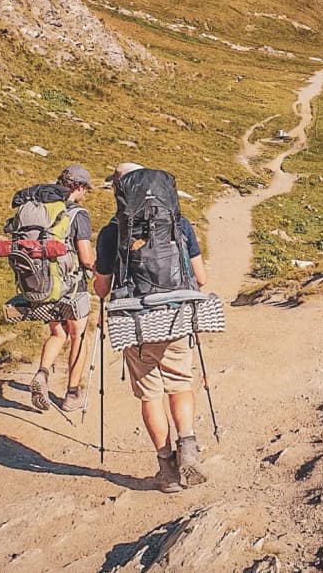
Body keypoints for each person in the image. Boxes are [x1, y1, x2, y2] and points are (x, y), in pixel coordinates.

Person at [93, 162, 209, 494]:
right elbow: (201, 278)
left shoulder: (112, 231)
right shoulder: (179, 223)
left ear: (120, 191)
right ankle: (188, 445)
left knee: (150, 394)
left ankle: (167, 470)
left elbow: (101, 290)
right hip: (175, 317)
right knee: (180, 383)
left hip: (136, 323)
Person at [29, 164, 97, 413]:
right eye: (85, 189)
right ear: (78, 187)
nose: (85, 194)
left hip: (45, 282)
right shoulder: (78, 214)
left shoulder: (43, 208)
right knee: (78, 333)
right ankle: (72, 393)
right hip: (72, 283)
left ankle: (42, 372)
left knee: (58, 333)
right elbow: (86, 257)